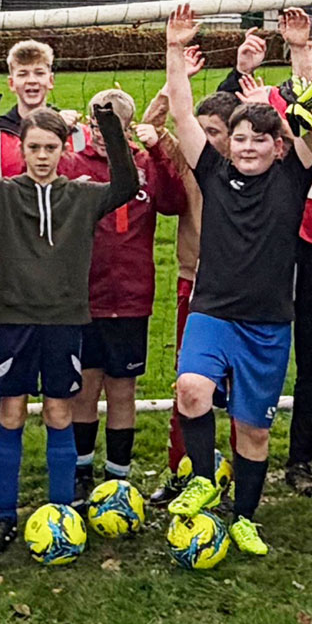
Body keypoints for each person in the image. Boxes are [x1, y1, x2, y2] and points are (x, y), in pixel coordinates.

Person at [159, 6, 312, 557]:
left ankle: (245, 518)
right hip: (213, 312)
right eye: (241, 139)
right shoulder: (211, 171)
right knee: (191, 390)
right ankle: (205, 477)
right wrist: (173, 51)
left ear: (276, 146)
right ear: (228, 144)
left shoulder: (292, 177)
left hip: (269, 324)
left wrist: (300, 51)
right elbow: (184, 117)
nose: (250, 147)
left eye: (260, 139)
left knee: (254, 431)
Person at [0, 83, 136, 555]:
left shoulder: (82, 196)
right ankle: (4, 517)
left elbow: (127, 185)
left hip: (64, 320)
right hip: (13, 321)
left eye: (50, 148)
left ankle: (61, 514)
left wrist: (107, 124)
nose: (42, 155)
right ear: (21, 149)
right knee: (11, 413)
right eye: (33, 147)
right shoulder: (0, 195)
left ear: (63, 149)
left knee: (60, 412)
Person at [224, 8, 312, 497]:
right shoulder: (269, 99)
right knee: (254, 349)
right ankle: (242, 450)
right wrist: (244, 70)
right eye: (308, 49)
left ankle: (301, 458)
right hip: (270, 244)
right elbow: (220, 117)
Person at [0, 39, 86, 487]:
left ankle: (71, 474)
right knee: (0, 376)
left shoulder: (68, 131)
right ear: (11, 80)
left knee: (62, 387)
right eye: (24, 74)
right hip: (4, 264)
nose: (32, 81)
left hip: (59, 272)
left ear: (50, 79)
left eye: (40, 74)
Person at [63, 87, 185, 498]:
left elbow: (172, 203)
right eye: (96, 124)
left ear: (130, 127)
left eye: (112, 125)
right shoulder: (74, 163)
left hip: (132, 296)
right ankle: (80, 473)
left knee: (122, 389)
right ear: (87, 122)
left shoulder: (145, 165)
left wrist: (163, 152)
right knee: (84, 386)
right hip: (84, 295)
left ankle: (117, 476)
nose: (102, 133)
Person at [142, 87, 241, 504]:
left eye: (215, 131)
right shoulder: (187, 161)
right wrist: (166, 93)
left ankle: (238, 472)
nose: (206, 138)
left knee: (242, 391)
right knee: (187, 384)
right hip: (194, 285)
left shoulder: (255, 167)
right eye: (201, 130)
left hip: (244, 292)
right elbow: (148, 128)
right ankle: (182, 470)